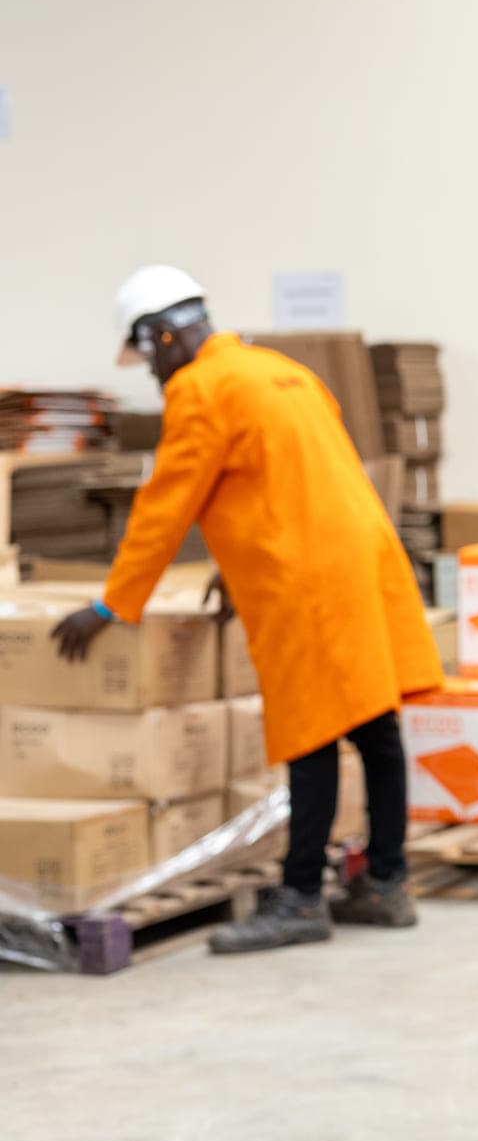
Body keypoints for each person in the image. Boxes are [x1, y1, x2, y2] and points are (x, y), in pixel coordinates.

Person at [52, 266, 441, 952]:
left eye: (148, 356)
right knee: (375, 728)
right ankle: (386, 884)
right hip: (362, 561)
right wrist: (237, 568)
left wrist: (111, 606)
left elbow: (165, 508)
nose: (154, 374)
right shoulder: (281, 372)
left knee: (311, 736)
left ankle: (299, 899)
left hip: (307, 580)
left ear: (163, 336)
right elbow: (284, 479)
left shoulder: (201, 389)